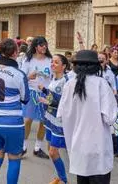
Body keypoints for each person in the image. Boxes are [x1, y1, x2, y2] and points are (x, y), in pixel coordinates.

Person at [58, 50, 118, 184]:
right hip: (98, 146)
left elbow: (61, 114)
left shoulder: (69, 85)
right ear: (96, 66)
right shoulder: (101, 84)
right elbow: (110, 117)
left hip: (78, 146)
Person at [0, 38, 30, 184]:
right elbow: (25, 99)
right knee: (14, 157)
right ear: (15, 53)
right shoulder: (19, 74)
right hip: (12, 122)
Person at [38, 54, 70, 184]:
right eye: (52, 62)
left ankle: (63, 179)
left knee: (53, 151)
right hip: (50, 118)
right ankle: (60, 176)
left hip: (59, 121)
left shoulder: (67, 81)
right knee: (52, 149)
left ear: (64, 66)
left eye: (56, 62)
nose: (52, 64)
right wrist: (45, 90)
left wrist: (48, 102)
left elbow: (65, 102)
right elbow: (53, 96)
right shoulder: (53, 77)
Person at [21, 36, 52, 159]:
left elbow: (55, 76)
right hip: (32, 92)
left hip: (45, 93)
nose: (44, 47)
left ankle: (37, 148)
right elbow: (22, 78)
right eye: (41, 45)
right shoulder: (28, 60)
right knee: (28, 120)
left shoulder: (50, 60)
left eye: (45, 45)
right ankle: (23, 147)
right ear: (35, 47)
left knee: (43, 122)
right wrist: (29, 76)